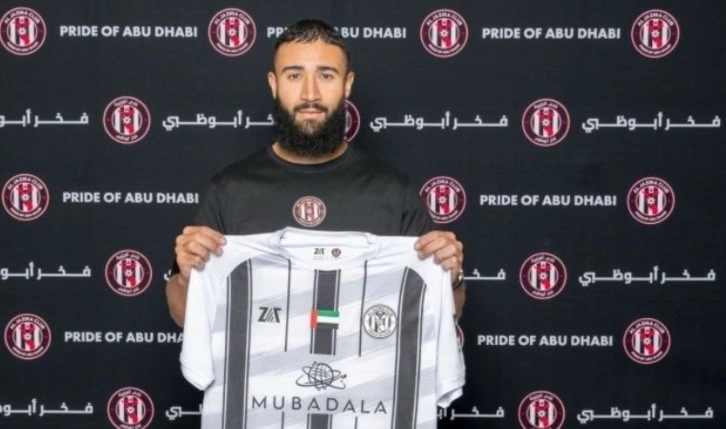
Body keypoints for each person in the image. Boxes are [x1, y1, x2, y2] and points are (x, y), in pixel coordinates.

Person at [165, 19, 465, 327]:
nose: (310, 94)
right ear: (274, 84)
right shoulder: (230, 188)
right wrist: (186, 277)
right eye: (294, 75)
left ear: (347, 84)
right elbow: (181, 313)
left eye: (326, 75)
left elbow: (443, 313)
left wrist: (450, 278)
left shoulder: (393, 190)